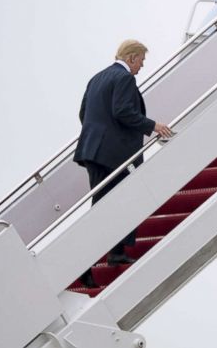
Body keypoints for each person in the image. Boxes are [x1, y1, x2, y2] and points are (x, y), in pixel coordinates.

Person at [73, 39, 172, 288]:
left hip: (93, 152)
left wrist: (99, 134)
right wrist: (153, 126)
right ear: (131, 57)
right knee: (118, 203)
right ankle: (82, 264)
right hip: (113, 155)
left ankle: (116, 250)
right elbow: (123, 112)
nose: (141, 67)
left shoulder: (97, 78)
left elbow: (84, 114)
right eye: (141, 61)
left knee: (107, 204)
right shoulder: (125, 79)